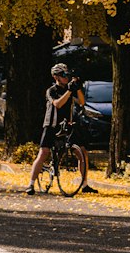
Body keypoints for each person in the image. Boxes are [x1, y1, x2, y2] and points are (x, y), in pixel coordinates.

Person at [25, 62, 97, 195]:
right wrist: (69, 91)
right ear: (56, 77)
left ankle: (85, 184)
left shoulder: (70, 89)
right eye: (63, 75)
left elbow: (81, 102)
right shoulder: (51, 90)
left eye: (67, 75)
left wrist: (78, 88)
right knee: (43, 153)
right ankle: (30, 184)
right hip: (52, 125)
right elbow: (58, 104)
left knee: (83, 152)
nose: (66, 77)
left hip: (67, 124)